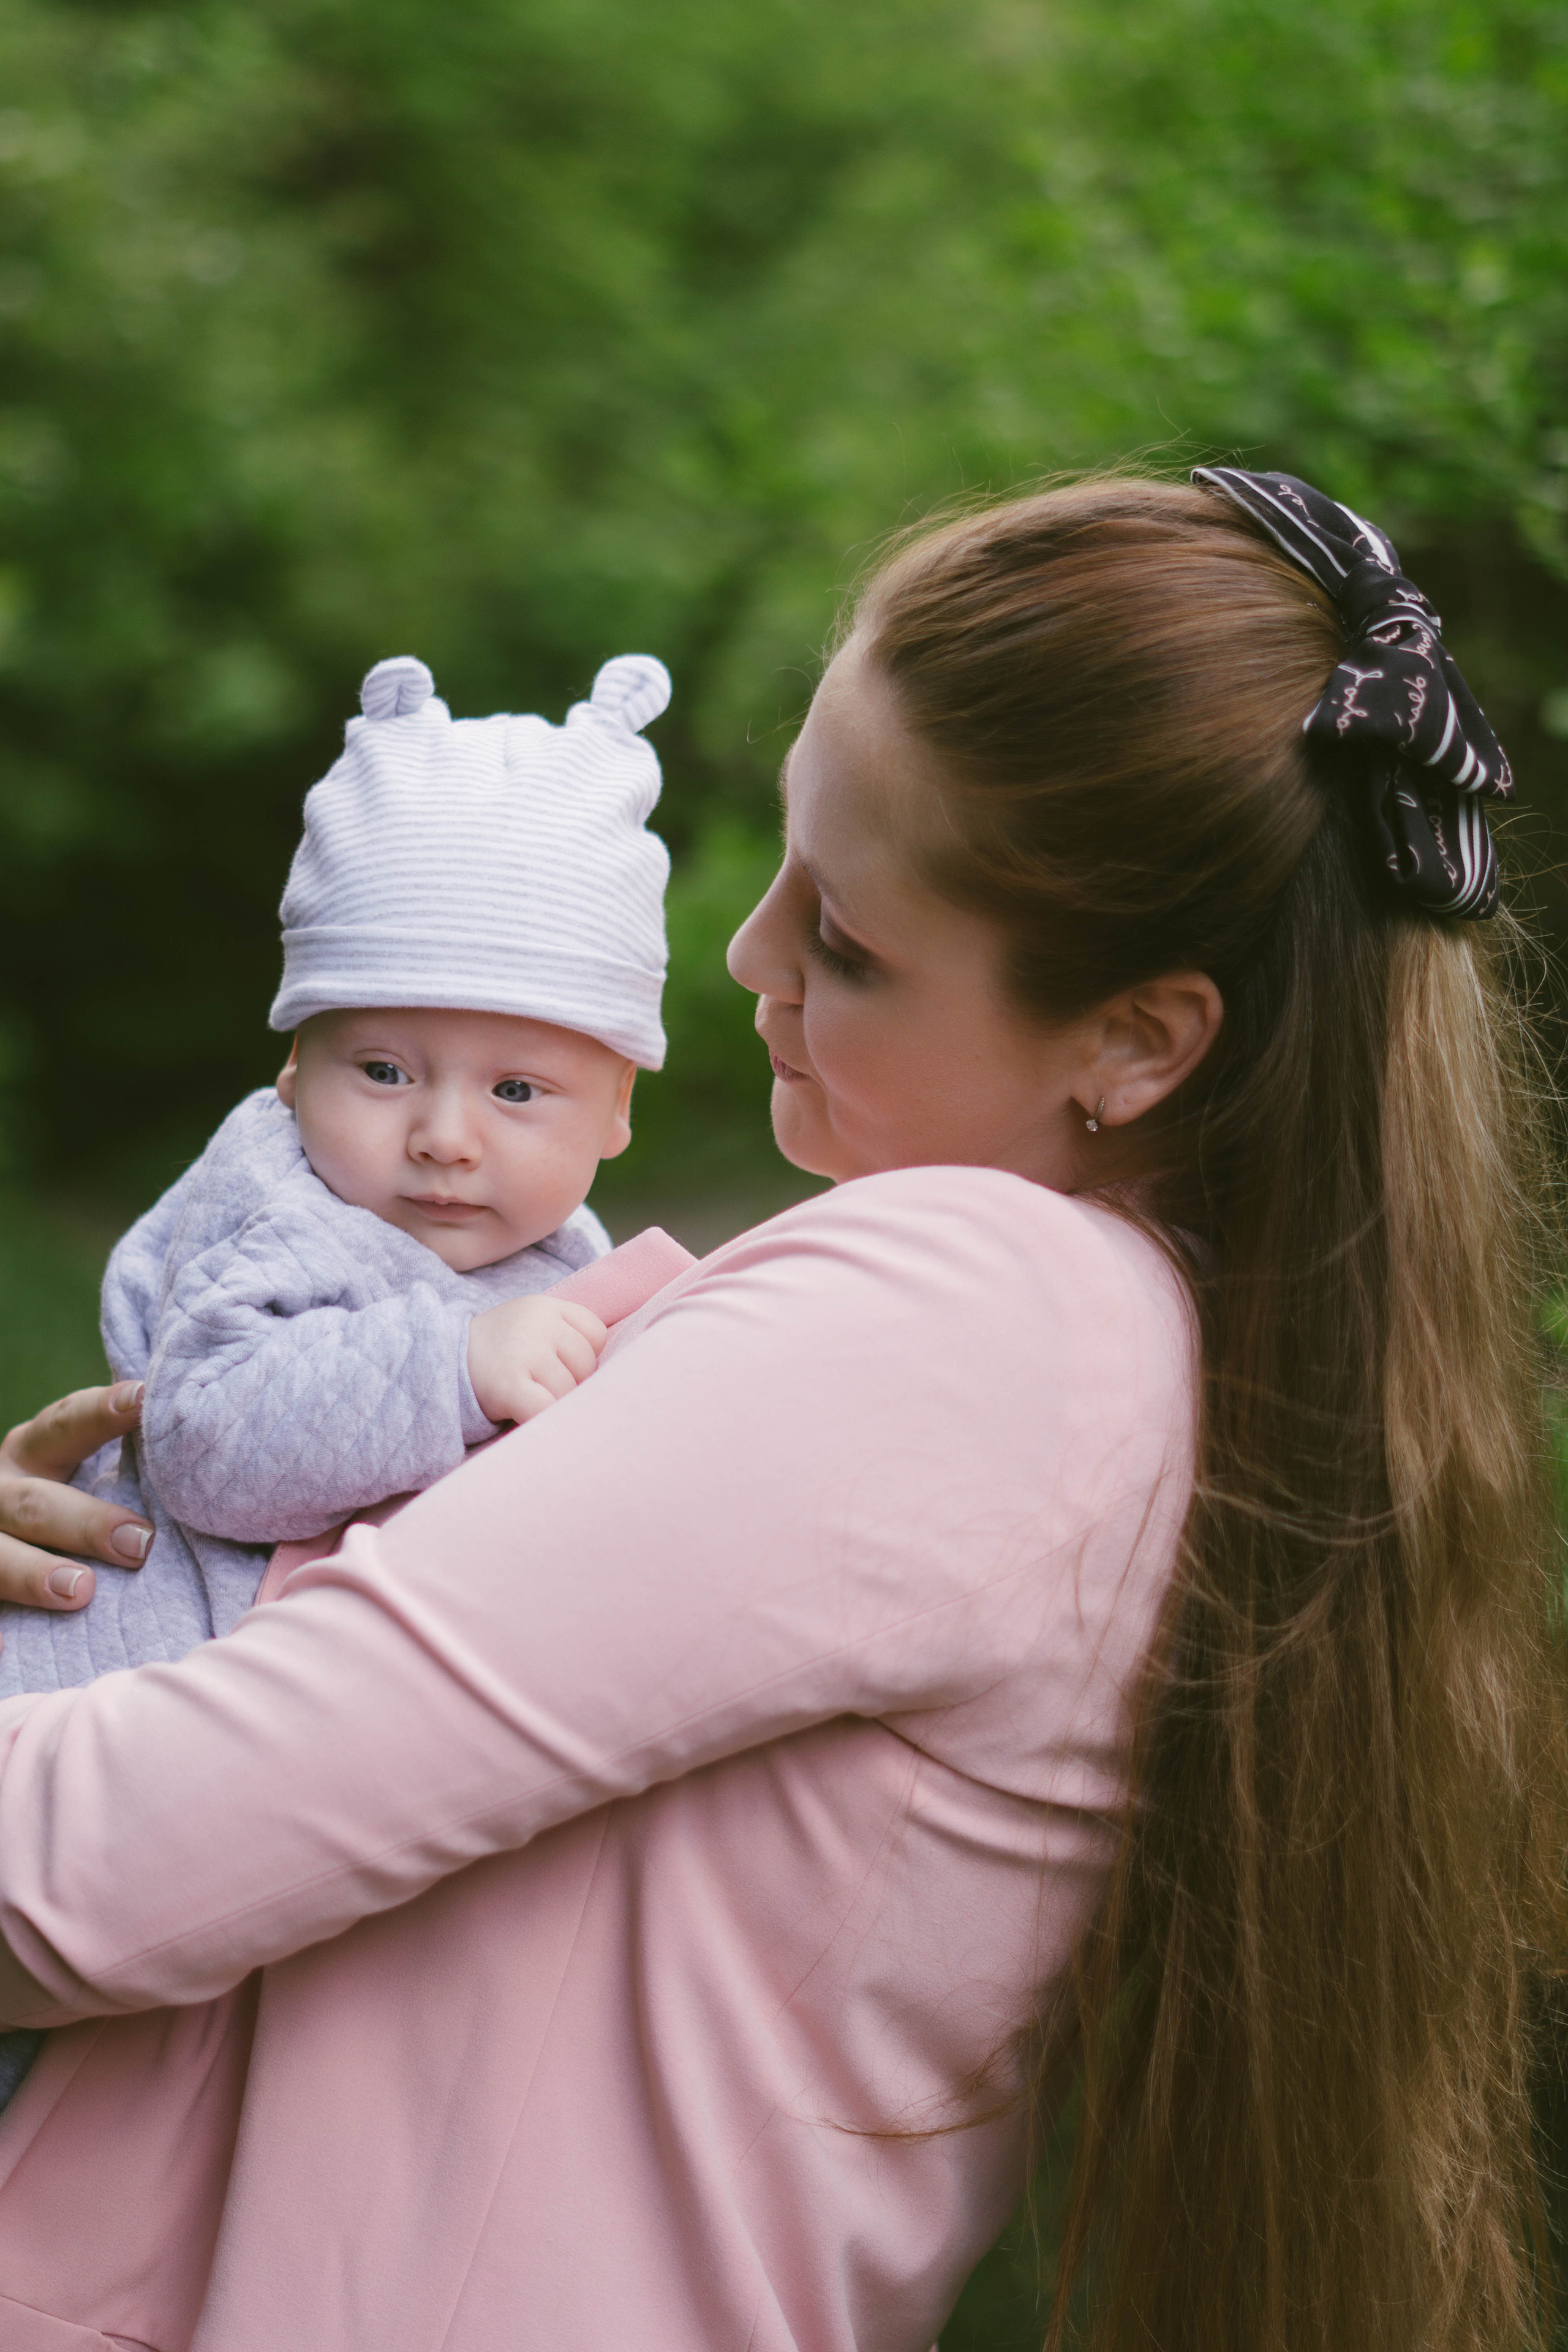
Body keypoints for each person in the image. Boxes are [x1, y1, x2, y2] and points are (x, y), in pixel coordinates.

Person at [0, 469, 1559, 2352]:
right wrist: (136, 1576)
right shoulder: (1137, 1346)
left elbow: (91, 1877)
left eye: (849, 938)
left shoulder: (976, 1317)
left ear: (1138, 1040)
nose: (746, 958)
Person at [0, 644, 676, 2109]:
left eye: (515, 1090)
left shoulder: (552, 1254)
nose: (442, 1134)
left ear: (616, 1108)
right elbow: (212, 1444)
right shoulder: (286, 1215)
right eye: (383, 1070)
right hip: (66, 1738)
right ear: (293, 1072)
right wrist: (451, 1363)